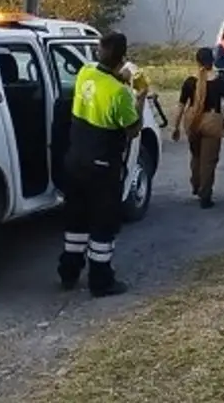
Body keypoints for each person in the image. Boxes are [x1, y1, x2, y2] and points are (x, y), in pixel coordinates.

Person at [57, 32, 147, 297]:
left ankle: (68, 272)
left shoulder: (85, 73)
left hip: (75, 161)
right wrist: (140, 96)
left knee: (75, 220)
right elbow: (132, 130)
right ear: (123, 58)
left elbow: (103, 75)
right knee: (102, 224)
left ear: (99, 52)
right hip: (102, 165)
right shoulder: (119, 94)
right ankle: (101, 280)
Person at [172, 47, 224, 209]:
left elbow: (180, 105)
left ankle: (196, 184)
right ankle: (205, 195)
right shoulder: (220, 81)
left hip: (192, 119)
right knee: (209, 160)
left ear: (197, 61)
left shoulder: (190, 81)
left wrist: (176, 126)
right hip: (212, 120)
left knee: (196, 155)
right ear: (212, 61)